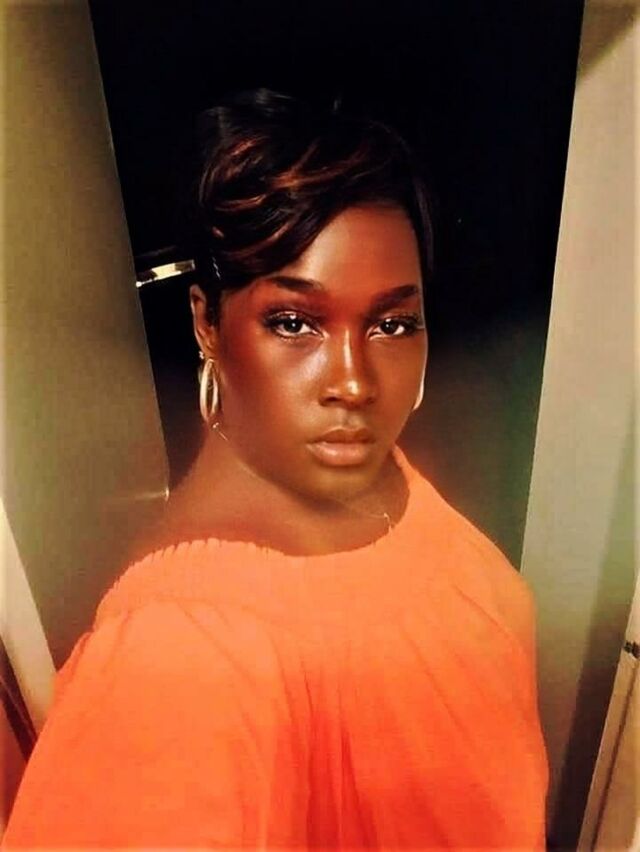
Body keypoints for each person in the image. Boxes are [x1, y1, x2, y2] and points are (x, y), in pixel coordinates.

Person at [3, 89, 548, 849]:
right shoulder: (177, 655)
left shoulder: (387, 479)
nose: (353, 382)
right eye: (294, 323)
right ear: (207, 321)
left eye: (392, 323)